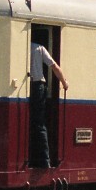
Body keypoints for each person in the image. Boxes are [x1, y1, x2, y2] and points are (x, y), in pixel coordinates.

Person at [29, 39, 69, 169]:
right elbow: (54, 66)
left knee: (29, 123)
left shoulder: (20, 45)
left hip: (26, 86)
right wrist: (64, 83)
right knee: (40, 123)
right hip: (38, 86)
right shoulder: (39, 47)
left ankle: (32, 157)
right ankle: (45, 161)